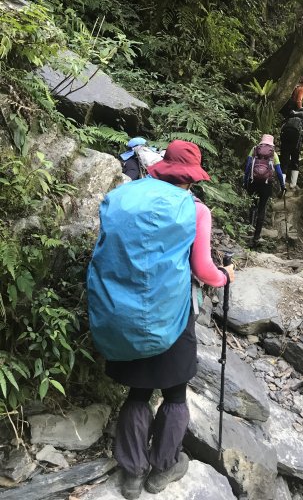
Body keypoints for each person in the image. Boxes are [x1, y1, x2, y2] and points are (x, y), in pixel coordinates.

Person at [87, 140, 235, 500]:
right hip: (173, 315)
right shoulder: (195, 209)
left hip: (126, 311)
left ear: (163, 166)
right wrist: (226, 276)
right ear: (192, 178)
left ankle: (133, 475)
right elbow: (203, 269)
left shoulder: (129, 195)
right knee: (174, 392)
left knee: (139, 392)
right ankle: (161, 469)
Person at [243, 134, 286, 246]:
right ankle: (256, 237)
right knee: (262, 208)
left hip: (253, 182)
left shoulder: (254, 150)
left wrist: (245, 181)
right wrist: (283, 186)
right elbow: (279, 172)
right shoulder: (274, 154)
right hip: (266, 185)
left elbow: (248, 167)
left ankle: (249, 229)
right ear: (271, 144)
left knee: (253, 205)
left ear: (261, 142)